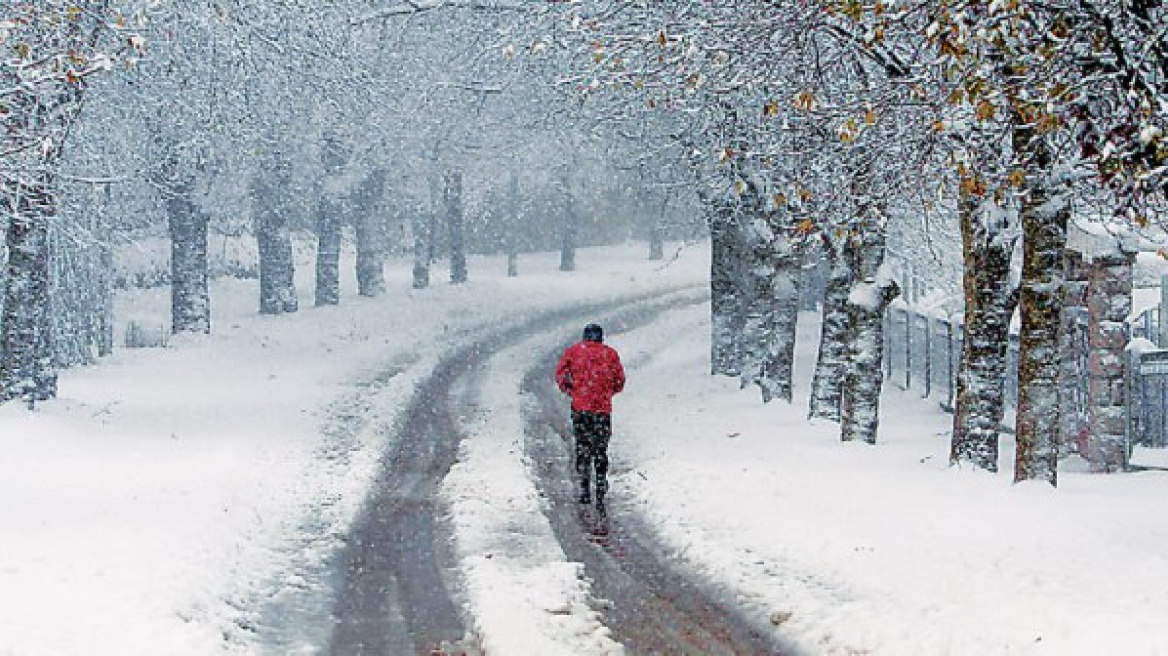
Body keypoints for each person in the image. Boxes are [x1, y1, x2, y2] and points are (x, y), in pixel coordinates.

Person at [555, 323, 626, 514]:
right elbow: (619, 381)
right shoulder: (610, 354)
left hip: (581, 407)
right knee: (601, 448)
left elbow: (561, 375)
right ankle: (601, 482)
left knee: (583, 445)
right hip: (602, 409)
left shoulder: (574, 351)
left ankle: (585, 485)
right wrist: (606, 392)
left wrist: (572, 390)